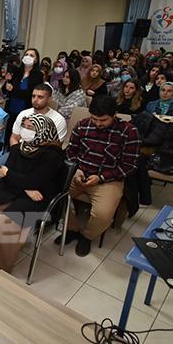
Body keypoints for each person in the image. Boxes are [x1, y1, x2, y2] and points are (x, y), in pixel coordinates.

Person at [0, 114, 64, 272]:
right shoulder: (18, 148)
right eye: (24, 127)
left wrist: (11, 175)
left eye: (31, 128)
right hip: (16, 190)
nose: (25, 131)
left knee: (5, 220)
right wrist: (25, 186)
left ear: (43, 130)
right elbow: (5, 176)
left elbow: (30, 180)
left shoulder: (52, 156)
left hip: (37, 198)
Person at [62, 97, 140, 256]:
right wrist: (77, 169)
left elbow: (129, 165)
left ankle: (87, 236)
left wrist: (102, 177)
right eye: (94, 119)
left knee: (103, 214)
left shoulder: (128, 132)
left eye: (103, 120)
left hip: (107, 179)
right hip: (80, 173)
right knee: (55, 197)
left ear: (115, 114)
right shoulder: (82, 125)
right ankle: (72, 228)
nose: (98, 123)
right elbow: (71, 151)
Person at [0, 83, 66, 171]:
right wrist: (16, 153)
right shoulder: (24, 113)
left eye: (40, 97)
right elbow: (14, 137)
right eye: (33, 96)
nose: (35, 100)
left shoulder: (58, 119)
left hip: (41, 158)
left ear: (49, 99)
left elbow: (55, 147)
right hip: (20, 151)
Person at [3, 48, 44, 127]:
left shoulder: (38, 75)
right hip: (11, 109)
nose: (28, 57)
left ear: (36, 60)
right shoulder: (17, 72)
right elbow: (5, 90)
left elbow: (31, 93)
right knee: (9, 132)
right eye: (26, 54)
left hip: (26, 111)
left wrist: (13, 89)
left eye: (31, 55)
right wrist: (7, 83)